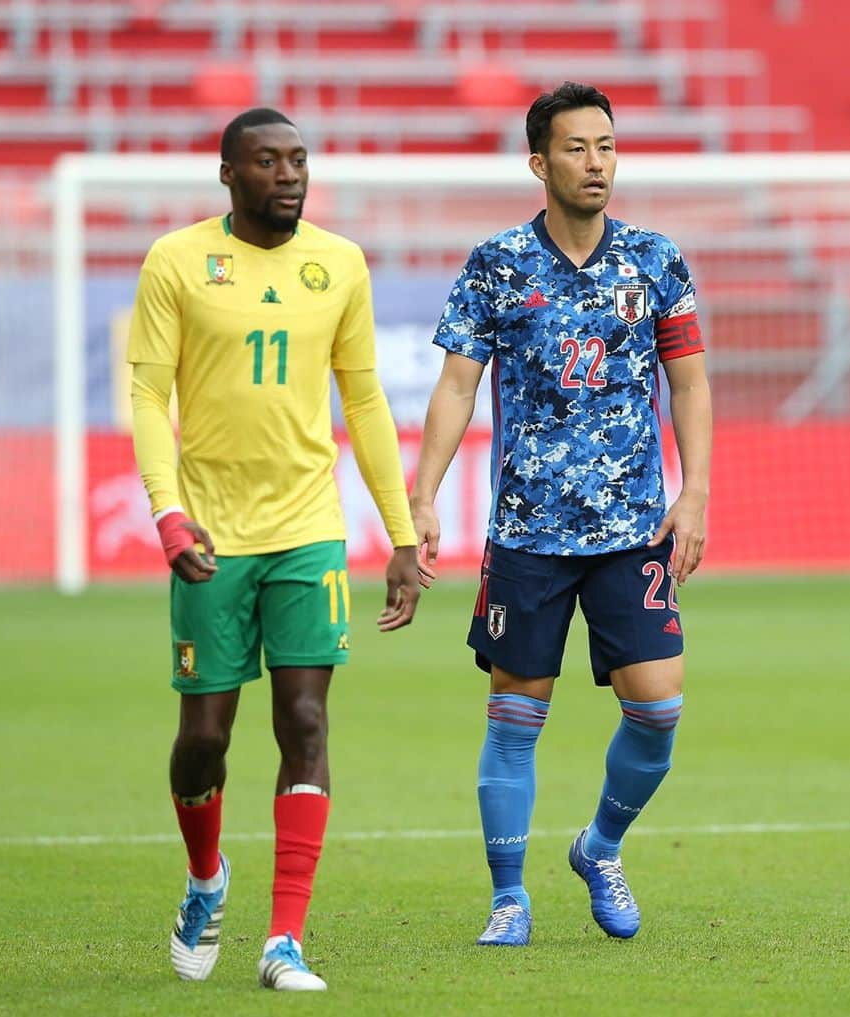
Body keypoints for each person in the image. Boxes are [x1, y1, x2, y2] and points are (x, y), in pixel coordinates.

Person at [409, 82, 712, 946]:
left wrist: (694, 491)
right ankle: (510, 897)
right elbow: (456, 387)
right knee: (514, 720)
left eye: (607, 147)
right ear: (539, 162)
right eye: (577, 148)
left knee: (657, 711)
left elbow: (687, 381)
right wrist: (424, 494)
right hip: (529, 536)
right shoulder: (496, 263)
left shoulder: (656, 261)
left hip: (633, 532)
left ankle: (600, 846)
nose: (596, 163)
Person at [127, 107, 420, 991]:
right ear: (228, 173)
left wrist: (401, 532)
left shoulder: (340, 264)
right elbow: (147, 395)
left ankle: (284, 937)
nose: (288, 174)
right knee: (203, 738)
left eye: (298, 159)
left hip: (307, 528)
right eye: (267, 160)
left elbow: (363, 403)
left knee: (305, 720)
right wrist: (167, 512)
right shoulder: (177, 261)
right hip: (211, 533)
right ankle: (206, 877)